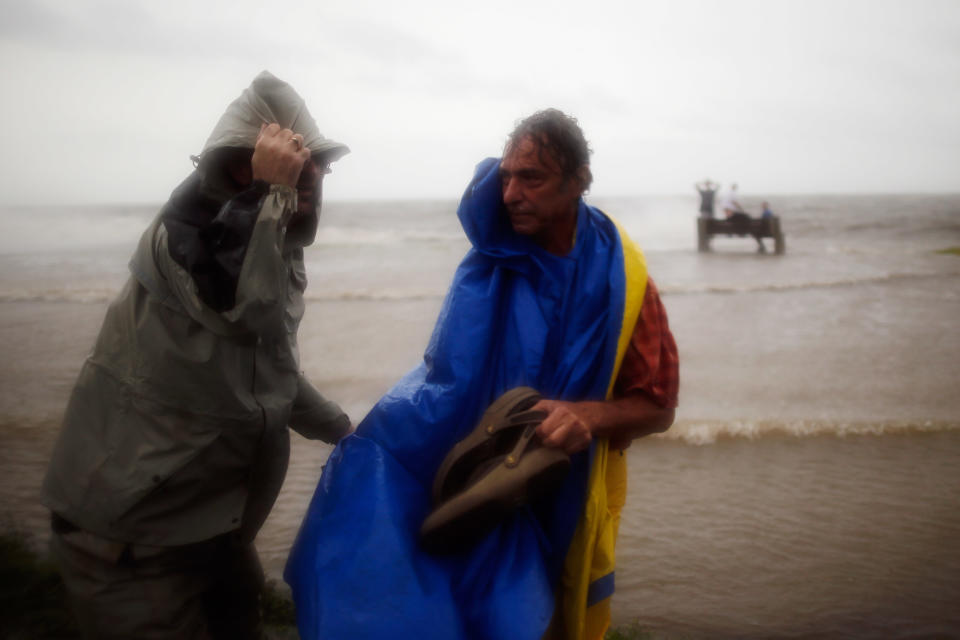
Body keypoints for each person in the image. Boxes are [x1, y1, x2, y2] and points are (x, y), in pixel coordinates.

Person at [285, 109, 679, 640]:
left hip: (559, 488)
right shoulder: (487, 264)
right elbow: (442, 380)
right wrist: (373, 446)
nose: (511, 192)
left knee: (535, 617)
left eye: (532, 178)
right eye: (507, 176)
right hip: (466, 477)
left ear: (579, 182)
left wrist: (584, 414)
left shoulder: (624, 284)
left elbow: (657, 406)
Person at [41, 71, 352, 639]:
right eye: (275, 163)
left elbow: (271, 371)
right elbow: (243, 308)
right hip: (131, 543)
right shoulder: (184, 237)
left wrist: (345, 430)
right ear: (233, 168)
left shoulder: (270, 239)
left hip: (215, 526)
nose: (306, 178)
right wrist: (272, 191)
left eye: (313, 164)